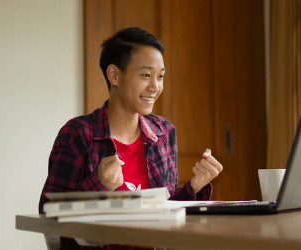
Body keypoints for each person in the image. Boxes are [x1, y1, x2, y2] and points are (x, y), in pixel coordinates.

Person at [38, 27, 223, 250]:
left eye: (160, 76)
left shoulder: (164, 132)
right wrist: (100, 184)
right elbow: (48, 216)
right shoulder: (79, 134)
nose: (155, 87)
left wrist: (194, 186)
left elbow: (165, 212)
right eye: (146, 75)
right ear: (114, 75)